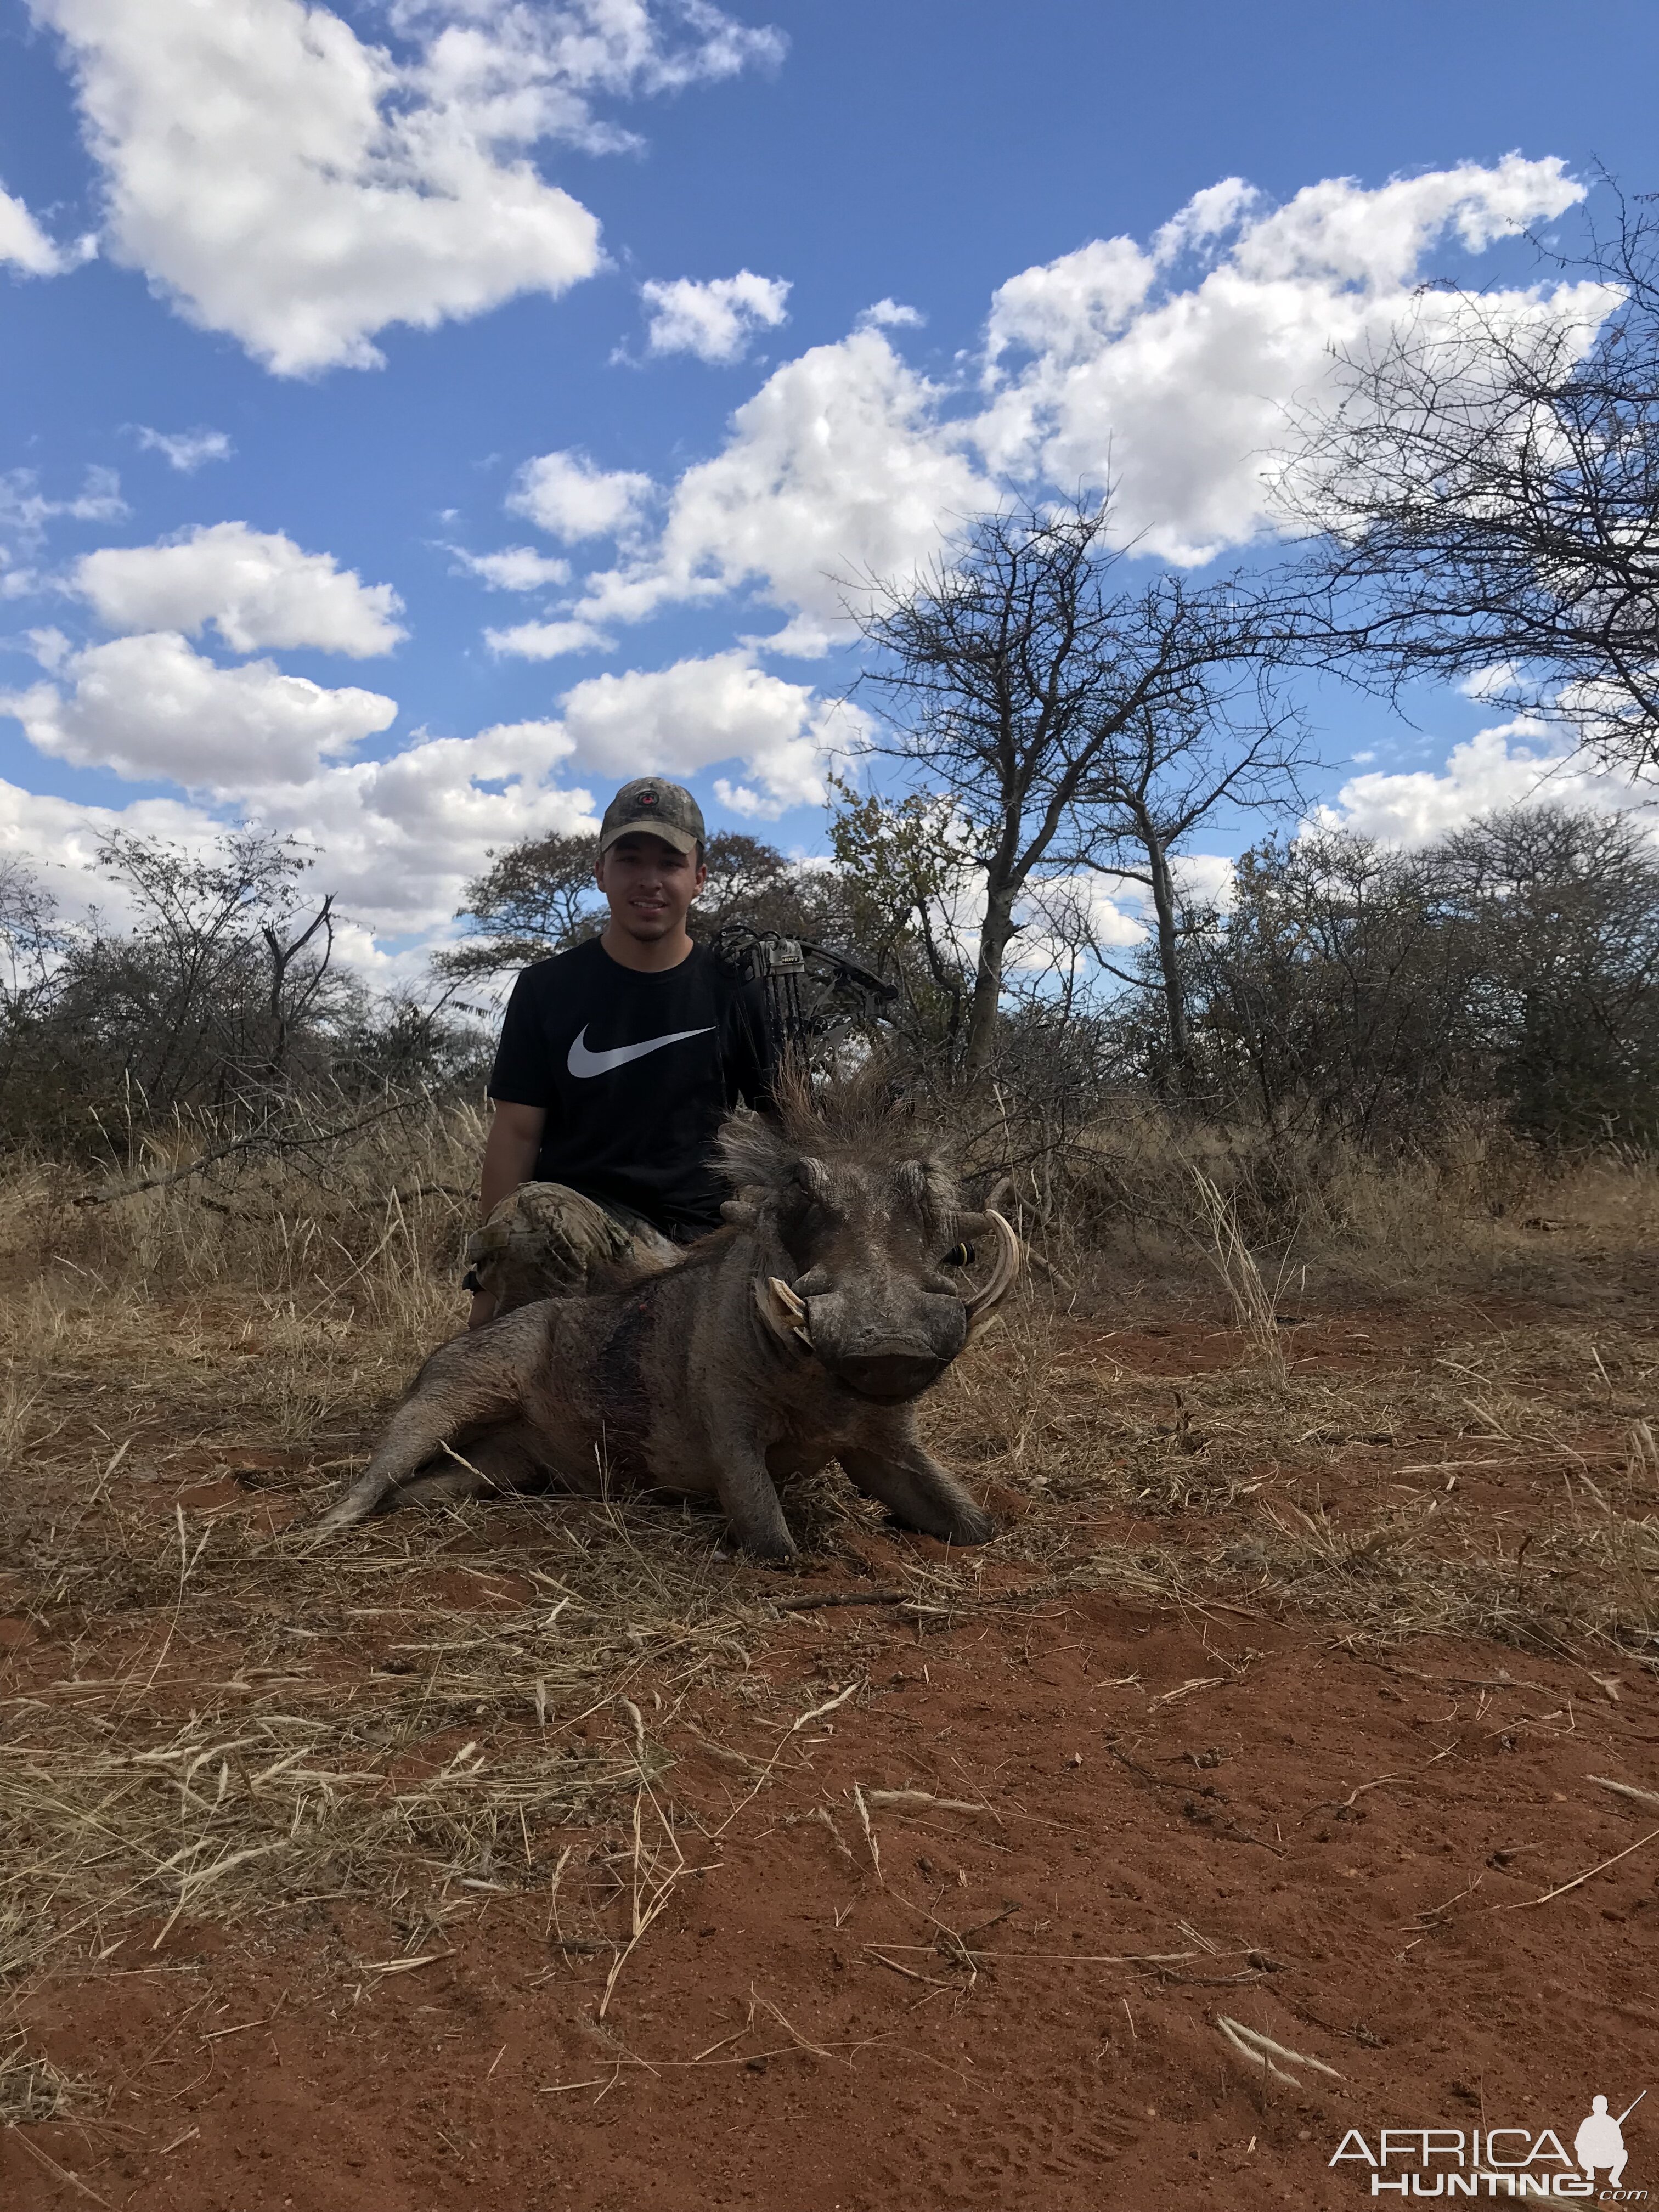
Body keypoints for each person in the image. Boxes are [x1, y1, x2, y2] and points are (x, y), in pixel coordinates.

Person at [461, 776, 773, 1329]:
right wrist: (486, 1289)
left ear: (699, 879)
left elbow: (782, 1126)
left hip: (703, 1250)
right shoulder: (545, 988)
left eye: (670, 864)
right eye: (629, 860)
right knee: (535, 1219)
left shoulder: (734, 987)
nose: (649, 881)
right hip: (580, 1239)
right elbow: (515, 1134)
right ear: (601, 872)